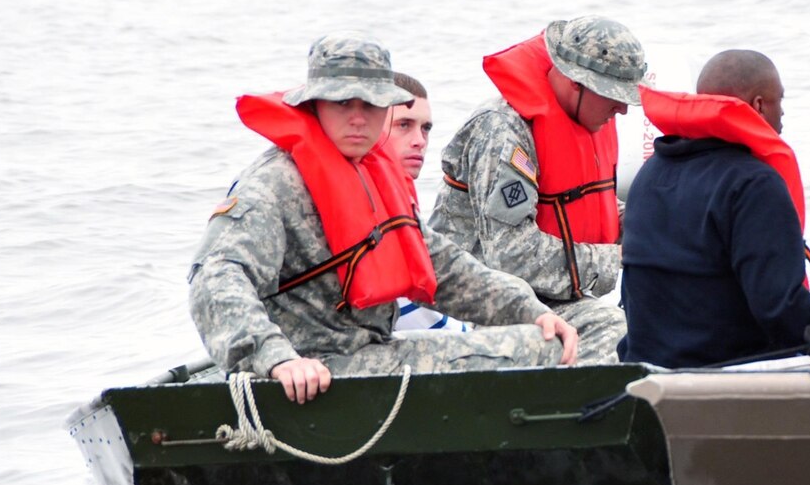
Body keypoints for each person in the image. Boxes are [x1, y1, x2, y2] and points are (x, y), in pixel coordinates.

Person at [189, 35, 578, 404]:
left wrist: (529, 309)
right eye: (343, 103)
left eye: (371, 105)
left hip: (368, 351)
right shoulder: (274, 185)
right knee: (530, 353)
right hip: (313, 369)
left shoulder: (372, 173)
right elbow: (215, 276)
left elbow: (445, 268)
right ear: (314, 105)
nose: (358, 118)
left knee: (542, 337)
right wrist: (276, 358)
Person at [619, 50, 810, 368]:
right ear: (758, 106)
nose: (783, 115)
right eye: (780, 101)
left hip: (650, 369)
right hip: (726, 374)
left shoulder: (651, 173)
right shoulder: (753, 185)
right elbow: (783, 313)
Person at [428, 15, 640, 364]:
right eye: (613, 95)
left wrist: (650, 222)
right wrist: (616, 258)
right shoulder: (503, 132)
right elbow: (512, 257)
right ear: (575, 82)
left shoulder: (588, 117)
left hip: (552, 295)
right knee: (611, 331)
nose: (624, 108)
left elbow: (589, 205)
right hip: (481, 302)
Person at [382, 72, 471, 333]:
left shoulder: (399, 204)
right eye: (403, 125)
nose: (420, 140)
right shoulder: (362, 206)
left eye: (426, 128)